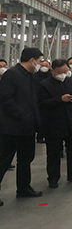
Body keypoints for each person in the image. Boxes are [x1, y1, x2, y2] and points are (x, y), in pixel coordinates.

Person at [0, 47, 44, 206]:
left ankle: (24, 188)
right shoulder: (12, 75)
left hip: (28, 127)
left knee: (26, 159)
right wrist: (21, 114)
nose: (40, 64)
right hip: (11, 127)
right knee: (3, 161)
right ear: (32, 60)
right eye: (39, 61)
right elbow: (5, 98)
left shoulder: (31, 77)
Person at [37, 59, 72, 188]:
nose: (63, 74)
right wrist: (60, 100)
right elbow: (42, 103)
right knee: (53, 152)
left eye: (65, 71)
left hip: (71, 121)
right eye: (60, 72)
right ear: (52, 71)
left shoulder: (71, 82)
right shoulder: (44, 85)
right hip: (53, 123)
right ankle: (53, 178)